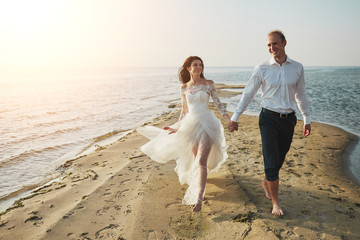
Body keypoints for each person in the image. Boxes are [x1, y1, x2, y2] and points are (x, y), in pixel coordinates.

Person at [228, 30, 311, 216]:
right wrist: (235, 117)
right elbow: (248, 94)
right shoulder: (262, 68)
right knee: (271, 162)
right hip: (268, 119)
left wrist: (307, 118)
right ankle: (276, 203)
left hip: (289, 120)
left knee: (279, 159)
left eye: (275, 44)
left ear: (284, 43)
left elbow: (301, 94)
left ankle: (266, 181)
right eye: (268, 45)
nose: (272, 48)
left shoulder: (297, 67)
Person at [138, 56, 231, 212]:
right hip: (190, 125)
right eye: (195, 65)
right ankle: (200, 184)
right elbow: (184, 111)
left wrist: (228, 119)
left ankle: (199, 197)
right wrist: (176, 127)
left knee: (201, 160)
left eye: (200, 65)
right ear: (189, 68)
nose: (198, 67)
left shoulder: (209, 84)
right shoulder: (184, 88)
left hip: (207, 123)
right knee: (196, 159)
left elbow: (218, 104)